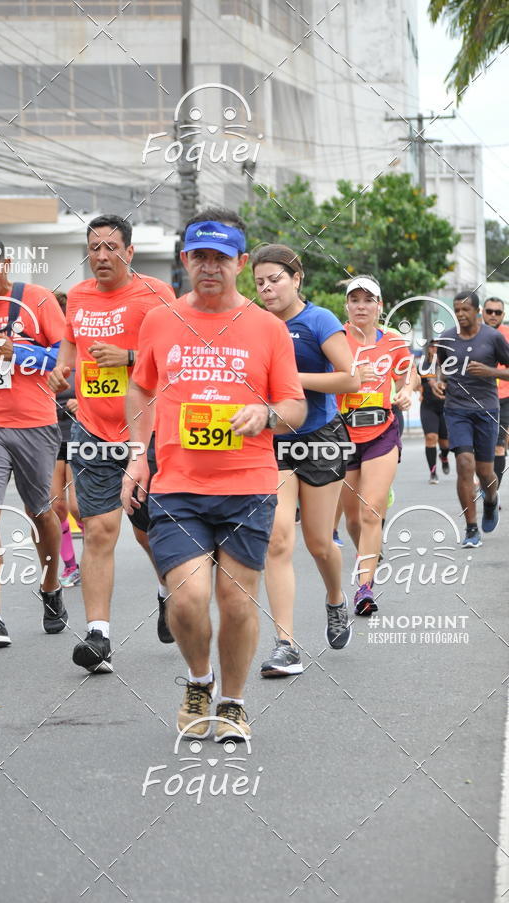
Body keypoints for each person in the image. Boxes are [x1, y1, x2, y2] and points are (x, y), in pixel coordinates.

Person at [121, 208, 306, 742]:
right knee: (186, 597)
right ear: (185, 261)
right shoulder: (161, 321)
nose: (209, 267)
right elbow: (140, 386)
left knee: (236, 599)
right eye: (199, 257)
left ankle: (232, 702)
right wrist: (138, 453)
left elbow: (293, 404)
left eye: (220, 258)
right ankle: (199, 681)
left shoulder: (268, 328)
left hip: (248, 485)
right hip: (178, 485)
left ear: (241, 263)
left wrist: (265, 415)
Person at [48, 215, 176, 673]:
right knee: (99, 529)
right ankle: (98, 635)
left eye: (110, 247)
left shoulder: (157, 294)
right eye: (94, 247)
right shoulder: (79, 296)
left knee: (148, 530)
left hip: (148, 430)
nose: (101, 256)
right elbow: (70, 344)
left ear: (129, 251)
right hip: (92, 429)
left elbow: (179, 352)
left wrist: (127, 357)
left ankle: (168, 593)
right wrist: (62, 370)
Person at [251, 244, 360, 676]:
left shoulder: (318, 320)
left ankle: (336, 597)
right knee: (277, 539)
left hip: (319, 438)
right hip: (271, 441)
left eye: (274, 279)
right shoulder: (252, 323)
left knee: (318, 543)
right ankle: (285, 645)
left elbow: (349, 377)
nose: (266, 288)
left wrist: (290, 378)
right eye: (259, 282)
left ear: (296, 278)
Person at [0, 235, 68, 648]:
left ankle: (51, 586)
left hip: (35, 423)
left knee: (40, 511)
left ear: (6, 264)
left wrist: (17, 352)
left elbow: (63, 356)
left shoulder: (37, 299)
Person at [337, 275, 415, 616]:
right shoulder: (335, 340)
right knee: (352, 519)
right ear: (347, 306)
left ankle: (364, 588)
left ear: (379, 306)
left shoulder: (393, 340)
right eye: (355, 300)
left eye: (368, 300)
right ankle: (369, 550)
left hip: (382, 430)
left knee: (370, 511)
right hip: (341, 434)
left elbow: (406, 372)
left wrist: (407, 390)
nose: (361, 306)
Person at [433, 290, 509, 547]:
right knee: (464, 464)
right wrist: (437, 382)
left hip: (486, 409)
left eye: (465, 310)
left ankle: (490, 499)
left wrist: (490, 371)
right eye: (457, 310)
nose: (461, 315)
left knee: (485, 472)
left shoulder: (493, 338)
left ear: (476, 311)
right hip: (456, 410)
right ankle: (471, 528)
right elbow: (440, 368)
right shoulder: (446, 338)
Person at [50, 291, 82, 588]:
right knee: (56, 505)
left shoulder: (80, 349)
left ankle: (96, 535)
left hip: (78, 432)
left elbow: (102, 389)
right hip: (48, 434)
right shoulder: (42, 352)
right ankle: (71, 565)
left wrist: (82, 403)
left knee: (76, 507)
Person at [481, 297, 509, 489]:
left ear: (503, 315)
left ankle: (493, 491)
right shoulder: (472, 333)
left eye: (497, 312)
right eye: (489, 311)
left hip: (505, 398)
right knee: (482, 447)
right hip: (478, 398)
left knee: (499, 445)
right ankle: (483, 480)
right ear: (482, 312)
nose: (493, 315)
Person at [418, 340, 450, 484]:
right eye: (432, 346)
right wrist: (419, 389)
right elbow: (424, 380)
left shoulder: (450, 364)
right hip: (428, 406)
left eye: (438, 346)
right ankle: (433, 472)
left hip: (446, 407)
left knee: (446, 444)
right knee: (431, 437)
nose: (435, 348)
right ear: (429, 349)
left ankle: (443, 457)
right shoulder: (423, 364)